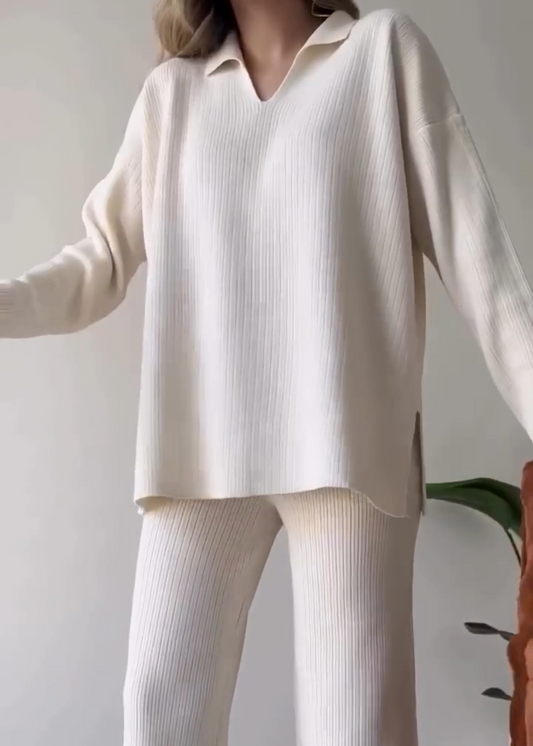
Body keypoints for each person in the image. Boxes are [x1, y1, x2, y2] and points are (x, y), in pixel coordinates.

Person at [1, 0, 533, 743]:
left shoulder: (382, 56)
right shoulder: (171, 96)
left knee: (353, 729)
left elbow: (484, 269)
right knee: (159, 710)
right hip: (199, 448)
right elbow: (99, 261)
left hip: (348, 451)